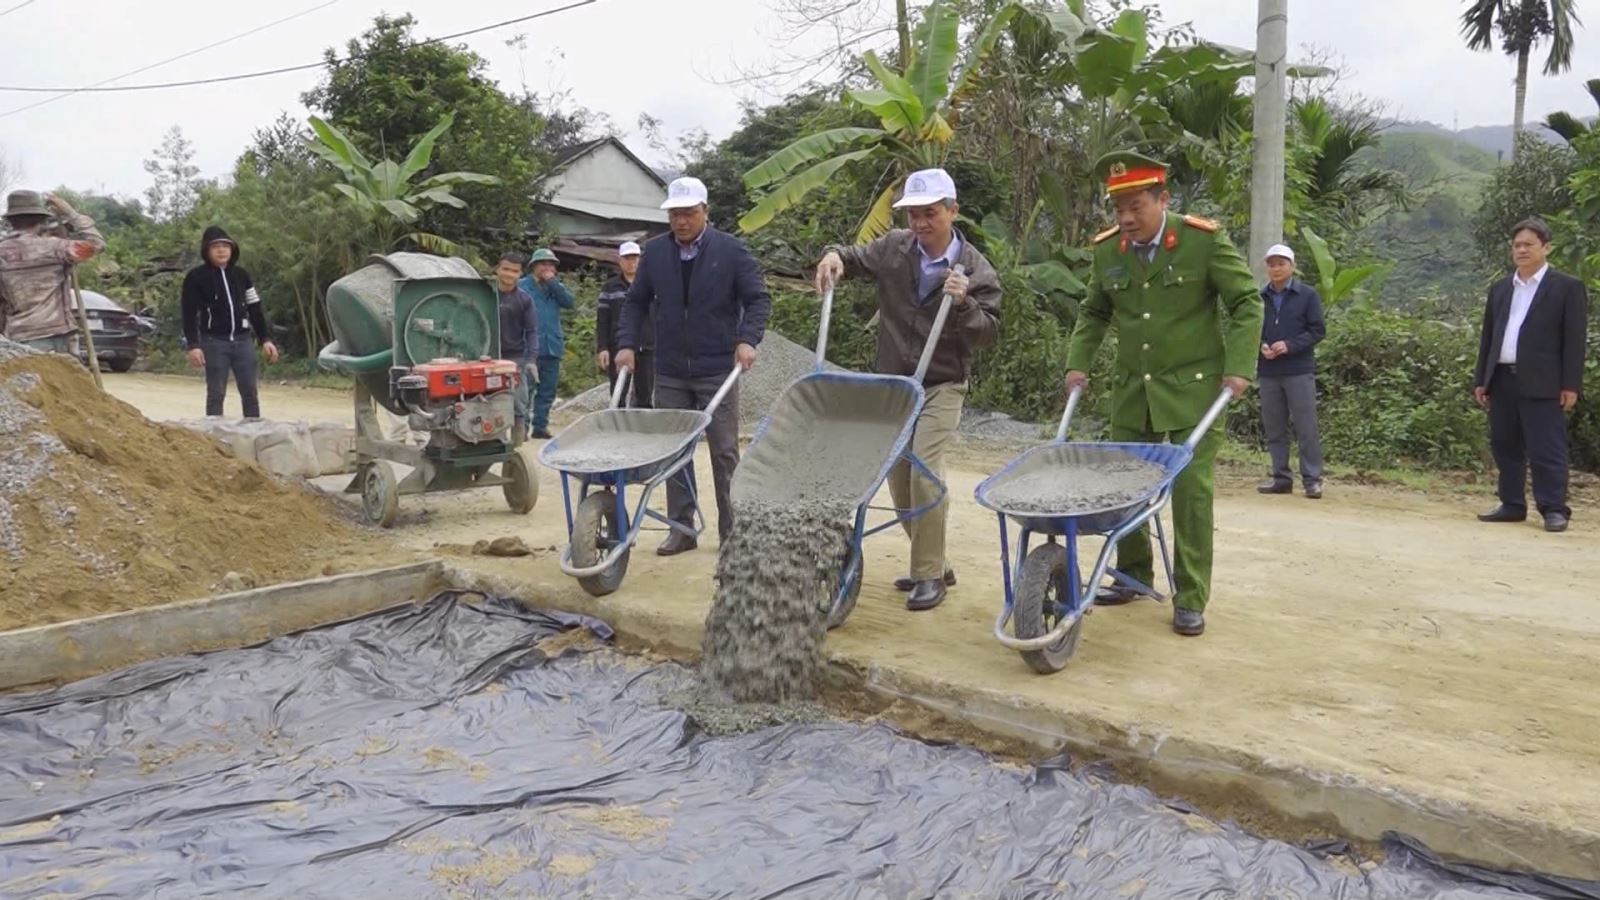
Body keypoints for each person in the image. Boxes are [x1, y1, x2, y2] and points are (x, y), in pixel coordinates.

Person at [1062, 150, 1261, 637]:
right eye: (1119, 209)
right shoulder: (1110, 250)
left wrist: (1238, 368)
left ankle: (1191, 597)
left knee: (1190, 493)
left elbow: (1246, 302)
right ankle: (1133, 574)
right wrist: (1077, 364)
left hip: (1194, 394)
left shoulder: (1201, 242)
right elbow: (1094, 313)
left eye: (1137, 207)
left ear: (1163, 199)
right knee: (1124, 485)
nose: (1126, 219)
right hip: (1133, 392)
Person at [814, 168, 1001, 611]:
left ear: (952, 212)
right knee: (897, 484)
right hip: (896, 385)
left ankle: (929, 575)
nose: (920, 223)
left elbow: (988, 332)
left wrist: (965, 303)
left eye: (929, 213)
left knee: (924, 472)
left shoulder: (975, 268)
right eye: (913, 214)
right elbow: (855, 257)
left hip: (942, 384)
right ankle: (935, 561)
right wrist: (834, 256)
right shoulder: (895, 248)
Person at [616, 176, 770, 555]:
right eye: (675, 215)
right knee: (674, 449)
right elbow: (636, 302)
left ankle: (733, 533)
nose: (681, 221)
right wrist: (626, 345)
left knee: (723, 450)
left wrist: (747, 339)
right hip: (670, 368)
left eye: (688, 213)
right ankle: (681, 528)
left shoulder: (730, 251)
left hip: (717, 367)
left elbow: (757, 299)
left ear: (705, 212)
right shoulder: (655, 253)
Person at [1472, 217, 1588, 533]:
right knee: (1505, 444)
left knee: (1545, 447)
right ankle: (1511, 504)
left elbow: (1574, 341)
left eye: (1528, 244)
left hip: (1544, 381)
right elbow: (1489, 338)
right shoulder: (1500, 289)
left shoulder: (1566, 287)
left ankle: (1553, 508)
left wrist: (1570, 384)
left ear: (1546, 247)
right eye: (1517, 245)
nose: (1521, 250)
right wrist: (1482, 378)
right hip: (1502, 378)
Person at [180, 226, 279, 419]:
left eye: (225, 245)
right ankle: (215, 439)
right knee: (216, 394)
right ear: (206, 251)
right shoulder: (195, 278)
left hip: (243, 342)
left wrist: (265, 339)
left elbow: (255, 308)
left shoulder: (242, 275)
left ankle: (253, 433)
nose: (221, 250)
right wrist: (193, 345)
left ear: (232, 249)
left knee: (250, 393)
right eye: (215, 246)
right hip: (214, 342)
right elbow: (189, 313)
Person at [1255, 243, 1326, 500]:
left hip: (1298, 370)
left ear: (1292, 267)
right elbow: (1252, 329)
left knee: (1306, 427)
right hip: (1269, 371)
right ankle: (1281, 478)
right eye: (1271, 264)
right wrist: (1261, 345)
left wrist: (1290, 345)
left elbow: (1317, 330)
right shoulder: (1259, 298)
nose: (1276, 269)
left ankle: (1312, 480)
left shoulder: (1307, 295)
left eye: (1281, 263)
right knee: (1274, 428)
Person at [0, 190, 105, 352]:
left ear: (11, 221)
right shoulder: (56, 247)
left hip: (17, 338)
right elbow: (96, 244)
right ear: (41, 221)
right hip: (57, 335)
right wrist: (71, 213)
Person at [517, 247, 575, 439]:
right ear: (533, 266)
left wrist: (552, 282)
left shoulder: (555, 287)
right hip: (529, 347)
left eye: (551, 265)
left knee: (547, 390)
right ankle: (522, 427)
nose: (547, 268)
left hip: (552, 346)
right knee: (526, 390)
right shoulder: (522, 286)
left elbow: (569, 302)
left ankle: (540, 426)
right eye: (543, 264)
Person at [596, 241, 653, 407]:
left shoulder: (650, 285)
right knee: (618, 392)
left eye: (635, 258)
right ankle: (618, 428)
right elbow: (602, 319)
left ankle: (642, 430)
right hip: (618, 346)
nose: (631, 263)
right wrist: (602, 347)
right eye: (627, 259)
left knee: (645, 394)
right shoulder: (610, 287)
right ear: (620, 261)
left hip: (647, 346)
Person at [493, 251, 541, 441]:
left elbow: (532, 331)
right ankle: (491, 442)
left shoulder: (524, 300)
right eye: (505, 269)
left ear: (520, 274)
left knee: (519, 403)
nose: (509, 274)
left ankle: (517, 449)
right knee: (485, 401)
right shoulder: (484, 294)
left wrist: (531, 360)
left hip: (514, 358)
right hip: (484, 357)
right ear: (497, 269)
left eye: (514, 271)